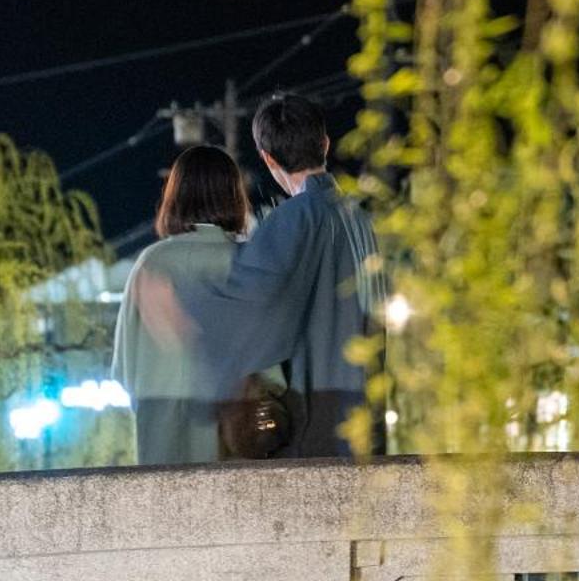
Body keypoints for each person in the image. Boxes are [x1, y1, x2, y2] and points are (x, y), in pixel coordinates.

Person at [175, 91, 387, 458]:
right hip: (364, 414)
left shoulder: (293, 219)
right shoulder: (360, 218)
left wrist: (184, 305)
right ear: (324, 143)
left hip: (315, 416)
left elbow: (249, 305)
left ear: (267, 158)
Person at [111, 144, 282, 464]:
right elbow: (271, 373)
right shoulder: (248, 265)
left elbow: (123, 371)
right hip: (232, 443)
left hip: (160, 447)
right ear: (234, 196)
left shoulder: (150, 264)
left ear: (174, 197)